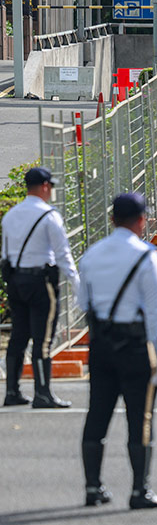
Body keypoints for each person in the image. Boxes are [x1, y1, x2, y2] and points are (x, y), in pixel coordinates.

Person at [78, 194, 157, 509]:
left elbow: (83, 304)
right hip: (134, 347)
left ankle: (92, 487)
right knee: (140, 418)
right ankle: (138, 490)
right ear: (141, 220)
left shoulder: (91, 255)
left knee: (97, 415)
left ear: (113, 219)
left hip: (101, 344)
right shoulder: (146, 256)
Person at [2, 167, 79, 408]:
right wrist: (77, 283)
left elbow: (5, 254)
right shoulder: (49, 216)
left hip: (16, 281)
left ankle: (12, 392)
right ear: (45, 186)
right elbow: (63, 254)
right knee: (43, 339)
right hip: (40, 283)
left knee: (18, 337)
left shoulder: (11, 215)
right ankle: (42, 393)